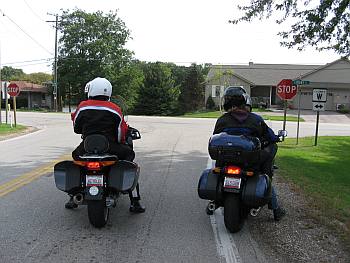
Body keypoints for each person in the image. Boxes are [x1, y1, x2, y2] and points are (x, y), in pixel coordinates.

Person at [65, 77, 145, 213]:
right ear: (108, 92)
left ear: (91, 90)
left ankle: (73, 195)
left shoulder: (82, 106)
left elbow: (76, 128)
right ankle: (135, 201)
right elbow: (120, 133)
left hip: (87, 146)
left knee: (76, 157)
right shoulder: (115, 109)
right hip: (110, 146)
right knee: (129, 156)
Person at [213, 86, 286, 221]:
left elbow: (216, 137)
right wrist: (276, 138)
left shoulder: (222, 120)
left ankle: (215, 200)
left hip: (227, 160)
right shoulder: (256, 119)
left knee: (218, 168)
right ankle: (276, 209)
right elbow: (270, 137)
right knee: (265, 175)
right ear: (246, 101)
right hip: (250, 161)